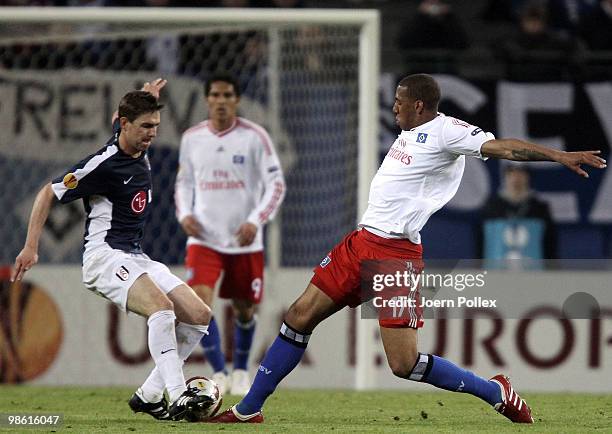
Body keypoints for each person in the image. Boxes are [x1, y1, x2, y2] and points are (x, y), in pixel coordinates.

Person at [208, 73, 606, 424]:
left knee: (403, 363)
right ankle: (249, 409)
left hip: (395, 255)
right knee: (298, 316)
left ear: (418, 104)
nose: (393, 107)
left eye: (398, 102)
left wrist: (557, 155)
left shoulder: (448, 131)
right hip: (360, 242)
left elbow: (506, 149)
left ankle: (494, 391)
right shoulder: (407, 131)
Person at [11, 78, 213, 422]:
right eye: (146, 126)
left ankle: (149, 395)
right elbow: (48, 192)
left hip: (135, 256)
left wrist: (147, 98)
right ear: (124, 124)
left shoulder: (136, 145)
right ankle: (177, 393)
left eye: (156, 126)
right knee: (161, 309)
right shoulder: (103, 164)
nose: (152, 134)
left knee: (199, 315)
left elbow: (129, 119)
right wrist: (31, 246)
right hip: (104, 258)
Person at [175, 73, 285, 396]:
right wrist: (185, 214)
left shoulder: (255, 137)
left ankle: (240, 370)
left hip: (244, 241)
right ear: (207, 99)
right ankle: (219, 372)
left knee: (244, 310)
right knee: (199, 305)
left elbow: (275, 184)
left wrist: (256, 220)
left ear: (236, 100)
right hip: (204, 238)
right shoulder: (192, 138)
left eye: (227, 95)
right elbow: (183, 183)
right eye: (215, 95)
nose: (221, 101)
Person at [480, 164, 557, 265]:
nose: (516, 178)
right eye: (511, 173)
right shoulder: (491, 207)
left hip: (533, 273)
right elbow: (481, 242)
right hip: (498, 272)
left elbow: (550, 244)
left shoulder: (539, 208)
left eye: (521, 173)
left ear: (528, 177)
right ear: (505, 177)